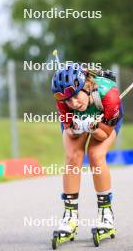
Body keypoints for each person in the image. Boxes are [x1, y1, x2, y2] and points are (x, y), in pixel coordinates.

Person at [51, 63, 123, 238]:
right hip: (79, 120)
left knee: (96, 155)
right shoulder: (63, 99)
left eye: (76, 96)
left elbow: (103, 135)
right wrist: (76, 128)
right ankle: (70, 218)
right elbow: (69, 131)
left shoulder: (110, 95)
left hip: (104, 118)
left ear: (87, 86)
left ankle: (106, 215)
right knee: (73, 156)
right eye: (68, 100)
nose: (73, 103)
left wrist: (92, 127)